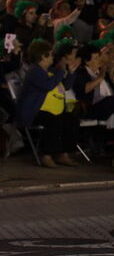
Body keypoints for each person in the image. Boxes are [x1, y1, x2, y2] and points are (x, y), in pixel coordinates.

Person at [15, 39, 81, 168]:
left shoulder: (50, 71)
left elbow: (65, 86)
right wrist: (61, 70)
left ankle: (63, 152)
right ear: (42, 56)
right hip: (34, 112)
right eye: (50, 54)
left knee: (71, 119)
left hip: (49, 111)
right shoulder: (34, 71)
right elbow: (47, 85)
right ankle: (46, 154)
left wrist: (71, 72)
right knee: (53, 120)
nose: (53, 57)